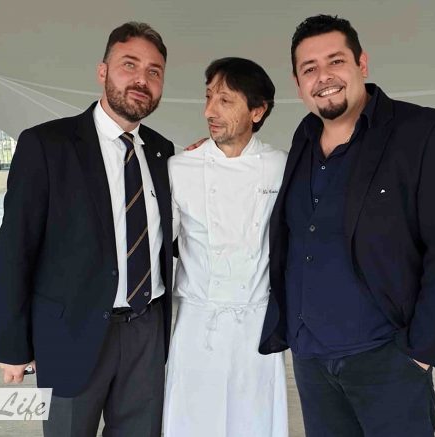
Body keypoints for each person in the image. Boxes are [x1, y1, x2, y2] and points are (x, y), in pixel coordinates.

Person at [258, 15, 435, 437]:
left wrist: (419, 352)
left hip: (387, 360)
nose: (323, 77)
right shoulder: (303, 140)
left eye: (335, 61)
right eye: (309, 68)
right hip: (312, 362)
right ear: (298, 83)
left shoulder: (423, 132)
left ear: (362, 63)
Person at [0, 22, 175, 437]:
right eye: (129, 65)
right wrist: (12, 344)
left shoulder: (162, 152)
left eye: (154, 71)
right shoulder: (47, 145)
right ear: (102, 71)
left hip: (147, 330)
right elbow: (15, 250)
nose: (142, 80)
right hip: (71, 333)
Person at [164, 58, 288, 437]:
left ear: (257, 111)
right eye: (208, 98)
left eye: (225, 100)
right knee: (192, 422)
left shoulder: (281, 167)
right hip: (197, 325)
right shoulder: (180, 167)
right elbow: (158, 245)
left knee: (255, 422)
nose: (209, 112)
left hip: (256, 325)